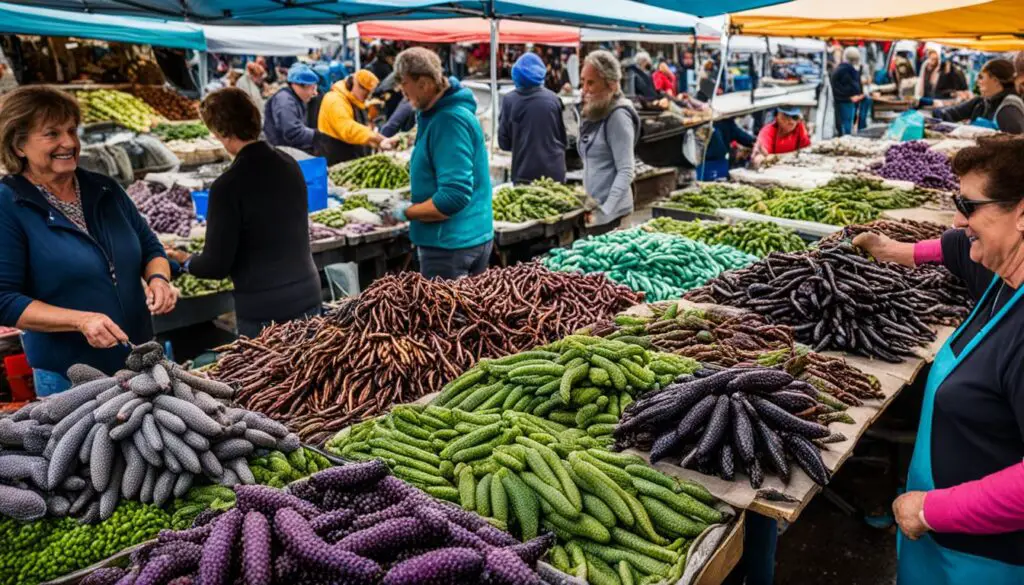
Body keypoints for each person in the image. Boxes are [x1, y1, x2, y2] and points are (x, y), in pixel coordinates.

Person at [851, 136, 1024, 585]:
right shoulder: (1002, 274)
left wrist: (930, 509)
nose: (957, 217)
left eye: (968, 205)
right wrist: (890, 251)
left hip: (987, 559)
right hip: (938, 542)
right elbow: (949, 246)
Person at [0, 87, 177, 392]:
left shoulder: (104, 189)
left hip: (142, 362)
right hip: (71, 380)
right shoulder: (9, 204)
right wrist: (81, 320)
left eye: (71, 130)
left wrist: (159, 278)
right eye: (52, 134)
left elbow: (150, 247)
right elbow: (4, 300)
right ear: (19, 145)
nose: (68, 142)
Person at [165, 88, 320, 339]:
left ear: (220, 133)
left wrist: (184, 259)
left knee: (273, 378)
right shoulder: (289, 164)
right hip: (308, 294)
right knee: (312, 374)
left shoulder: (228, 186)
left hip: (265, 311)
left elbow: (215, 266)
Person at [386, 47, 493, 280]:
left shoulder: (448, 121)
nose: (401, 91)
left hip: (451, 246)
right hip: (465, 238)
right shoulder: (438, 114)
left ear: (424, 83)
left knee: (445, 317)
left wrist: (407, 212)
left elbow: (453, 197)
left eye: (404, 83)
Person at [578, 50, 640, 234]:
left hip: (613, 217)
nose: (584, 89)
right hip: (597, 213)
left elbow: (626, 170)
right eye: (583, 81)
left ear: (611, 85)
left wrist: (607, 209)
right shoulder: (599, 112)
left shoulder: (618, 116)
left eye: (591, 83)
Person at [498, 53, 568, 185]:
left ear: (516, 75)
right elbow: (562, 139)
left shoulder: (509, 101)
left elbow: (504, 143)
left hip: (525, 175)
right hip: (555, 173)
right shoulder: (554, 99)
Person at [316, 70, 388, 166]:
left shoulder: (352, 99)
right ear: (356, 86)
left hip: (349, 157)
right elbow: (346, 128)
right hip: (335, 160)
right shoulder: (335, 100)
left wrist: (370, 140)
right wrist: (371, 136)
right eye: (366, 94)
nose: (367, 98)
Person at [934, 59, 1024, 134]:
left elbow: (1015, 145)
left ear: (995, 80)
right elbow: (951, 113)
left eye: (981, 77)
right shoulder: (981, 102)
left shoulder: (1009, 107)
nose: (977, 82)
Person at [263, 63, 318, 154]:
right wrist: (317, 136)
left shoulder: (295, 98)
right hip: (281, 154)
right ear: (300, 86)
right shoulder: (285, 102)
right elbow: (292, 133)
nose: (315, 93)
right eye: (312, 88)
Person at [831, 46, 869, 136]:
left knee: (844, 123)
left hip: (844, 100)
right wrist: (851, 97)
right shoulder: (847, 70)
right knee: (846, 124)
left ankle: (848, 136)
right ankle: (846, 139)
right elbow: (852, 87)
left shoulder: (842, 69)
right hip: (846, 101)